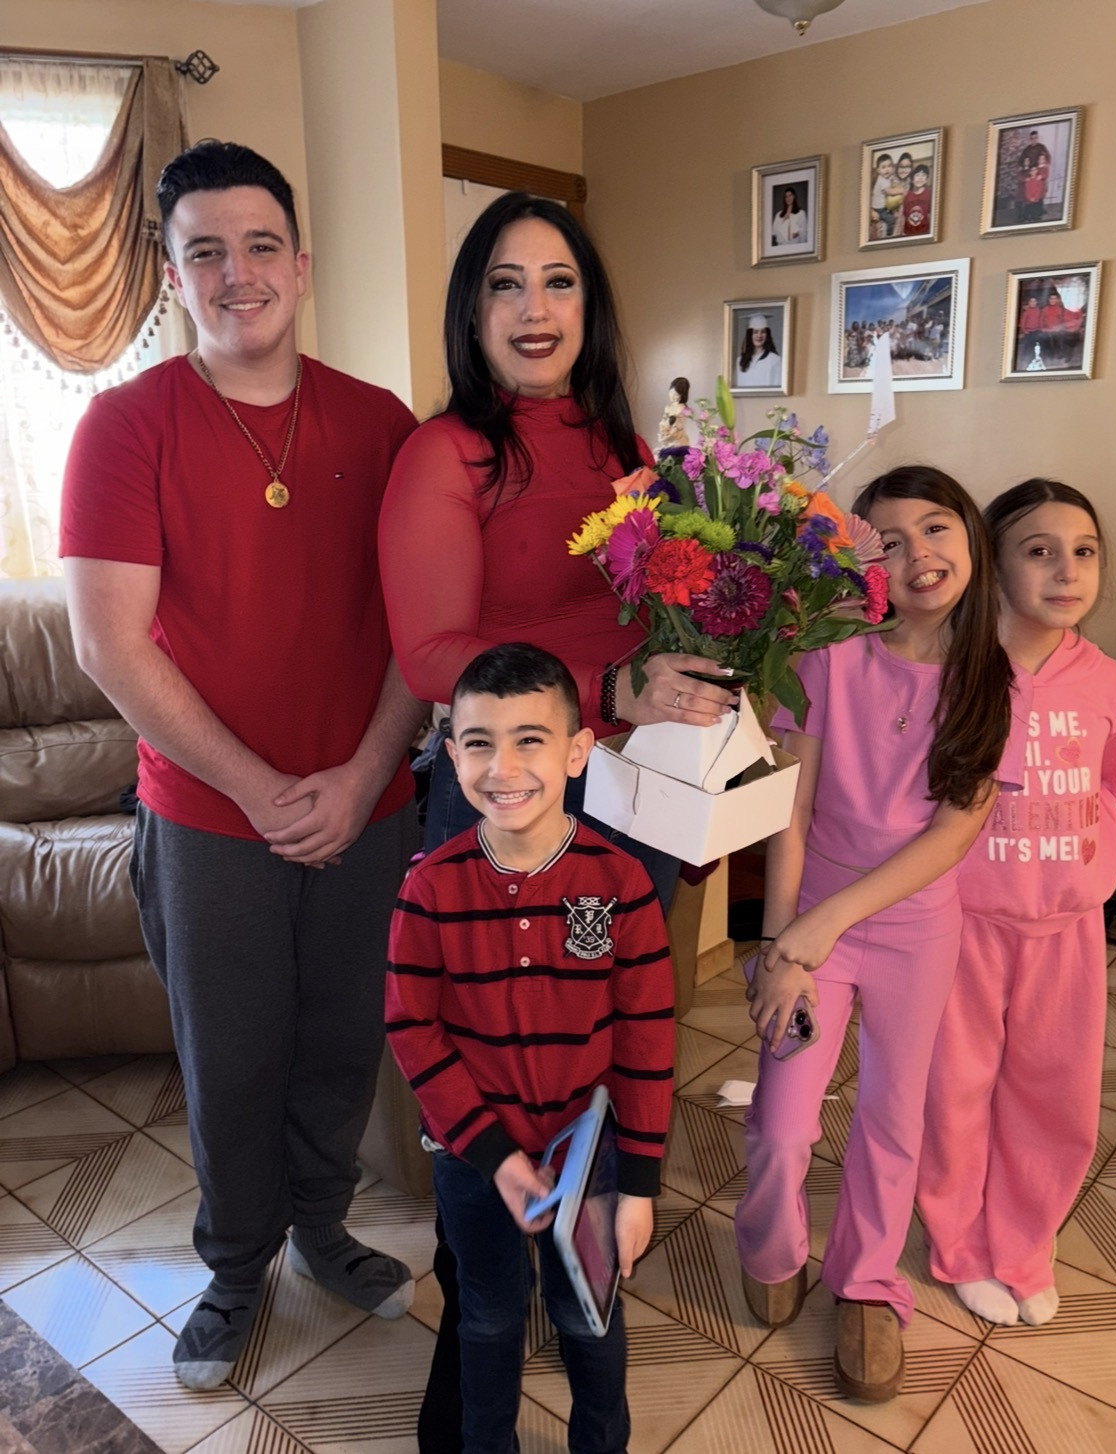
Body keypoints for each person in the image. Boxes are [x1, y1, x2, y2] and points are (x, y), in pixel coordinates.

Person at [59, 141, 423, 1391]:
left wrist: (363, 771)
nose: (237, 273)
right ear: (174, 276)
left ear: (301, 266)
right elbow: (108, 643)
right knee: (232, 1055)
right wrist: (261, 787)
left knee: (341, 1036)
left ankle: (324, 1227)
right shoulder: (125, 426)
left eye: (260, 245)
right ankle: (234, 1267)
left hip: (370, 800)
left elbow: (422, 625)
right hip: (210, 819)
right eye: (205, 252)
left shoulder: (382, 424)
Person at [379, 188, 735, 1451]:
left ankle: (583, 1287)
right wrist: (608, 688)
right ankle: (474, 1348)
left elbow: (659, 600)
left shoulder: (626, 443)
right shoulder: (446, 453)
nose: (535, 309)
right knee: (486, 1064)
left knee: (598, 1035)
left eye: (559, 281)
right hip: (505, 789)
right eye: (505, 283)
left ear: (593, 303)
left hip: (628, 802)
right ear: (471, 309)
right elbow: (431, 653)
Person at [736, 466, 1023, 1403]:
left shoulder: (991, 681)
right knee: (783, 1124)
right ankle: (771, 1247)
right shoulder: (826, 655)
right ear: (861, 565)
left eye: (935, 528)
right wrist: (778, 946)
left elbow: (953, 832)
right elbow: (791, 807)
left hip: (911, 933)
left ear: (970, 541)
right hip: (807, 927)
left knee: (892, 1120)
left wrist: (816, 930)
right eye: (887, 542)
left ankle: (865, 1281)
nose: (916, 554)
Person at [386, 642, 675, 1454]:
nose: (502, 767)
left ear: (577, 752)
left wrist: (638, 1186)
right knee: (485, 1316)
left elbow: (646, 1038)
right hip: (473, 1161)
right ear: (451, 756)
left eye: (530, 740)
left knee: (588, 1317)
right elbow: (412, 1029)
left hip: (589, 1157)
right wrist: (494, 1157)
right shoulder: (428, 889)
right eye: (479, 743)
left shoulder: (619, 885)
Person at [918, 480, 1116, 1328]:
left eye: (1082, 552)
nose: (1066, 571)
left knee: (1054, 1095)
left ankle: (1021, 1244)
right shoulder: (950, 675)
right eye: (1039, 551)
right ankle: (957, 1245)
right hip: (963, 925)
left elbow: (1112, 784)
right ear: (992, 563)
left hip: (1066, 930)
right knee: (953, 1092)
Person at [736, 313, 782, 389]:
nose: (759, 335)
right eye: (755, 332)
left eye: (763, 332)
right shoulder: (740, 361)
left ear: (767, 335)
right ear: (750, 335)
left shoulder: (775, 360)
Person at [901, 161, 933, 237]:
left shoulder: (929, 194)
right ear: (912, 179)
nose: (920, 178)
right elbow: (904, 215)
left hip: (924, 232)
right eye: (917, 175)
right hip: (908, 233)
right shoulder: (907, 195)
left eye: (923, 175)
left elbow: (930, 214)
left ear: (926, 179)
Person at [869, 153, 896, 240]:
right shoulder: (882, 180)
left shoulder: (888, 178)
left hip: (883, 206)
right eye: (883, 167)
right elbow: (890, 192)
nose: (887, 169)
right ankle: (889, 235)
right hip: (879, 209)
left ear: (892, 168)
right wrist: (902, 190)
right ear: (878, 170)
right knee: (891, 219)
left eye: (889, 166)